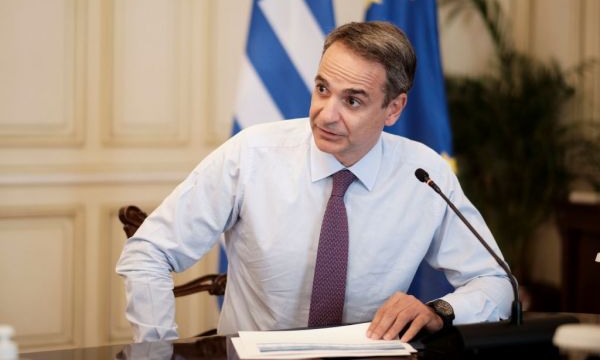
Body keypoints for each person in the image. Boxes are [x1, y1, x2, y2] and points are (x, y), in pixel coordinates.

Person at [116, 21, 512, 343]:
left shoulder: (423, 174)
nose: (325, 114)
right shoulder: (251, 154)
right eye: (322, 89)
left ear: (393, 108)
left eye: (352, 101)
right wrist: (157, 350)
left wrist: (440, 311)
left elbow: (495, 282)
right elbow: (149, 251)